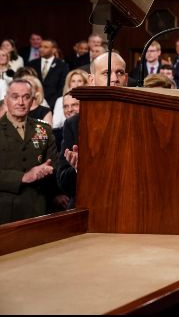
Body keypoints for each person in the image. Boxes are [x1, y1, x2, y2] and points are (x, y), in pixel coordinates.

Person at [55, 52, 128, 207]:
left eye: (119, 73)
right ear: (92, 80)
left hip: (126, 205)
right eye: (107, 73)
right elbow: (63, 182)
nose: (114, 79)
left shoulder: (138, 119)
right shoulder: (74, 124)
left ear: (126, 79)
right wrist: (78, 169)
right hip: (87, 207)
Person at [0, 79, 61, 224]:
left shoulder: (44, 130)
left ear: (32, 101)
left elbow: (54, 166)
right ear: (6, 100)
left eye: (26, 97)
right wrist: (23, 177)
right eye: (15, 97)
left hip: (38, 208)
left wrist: (48, 170)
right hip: (4, 211)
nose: (21, 102)